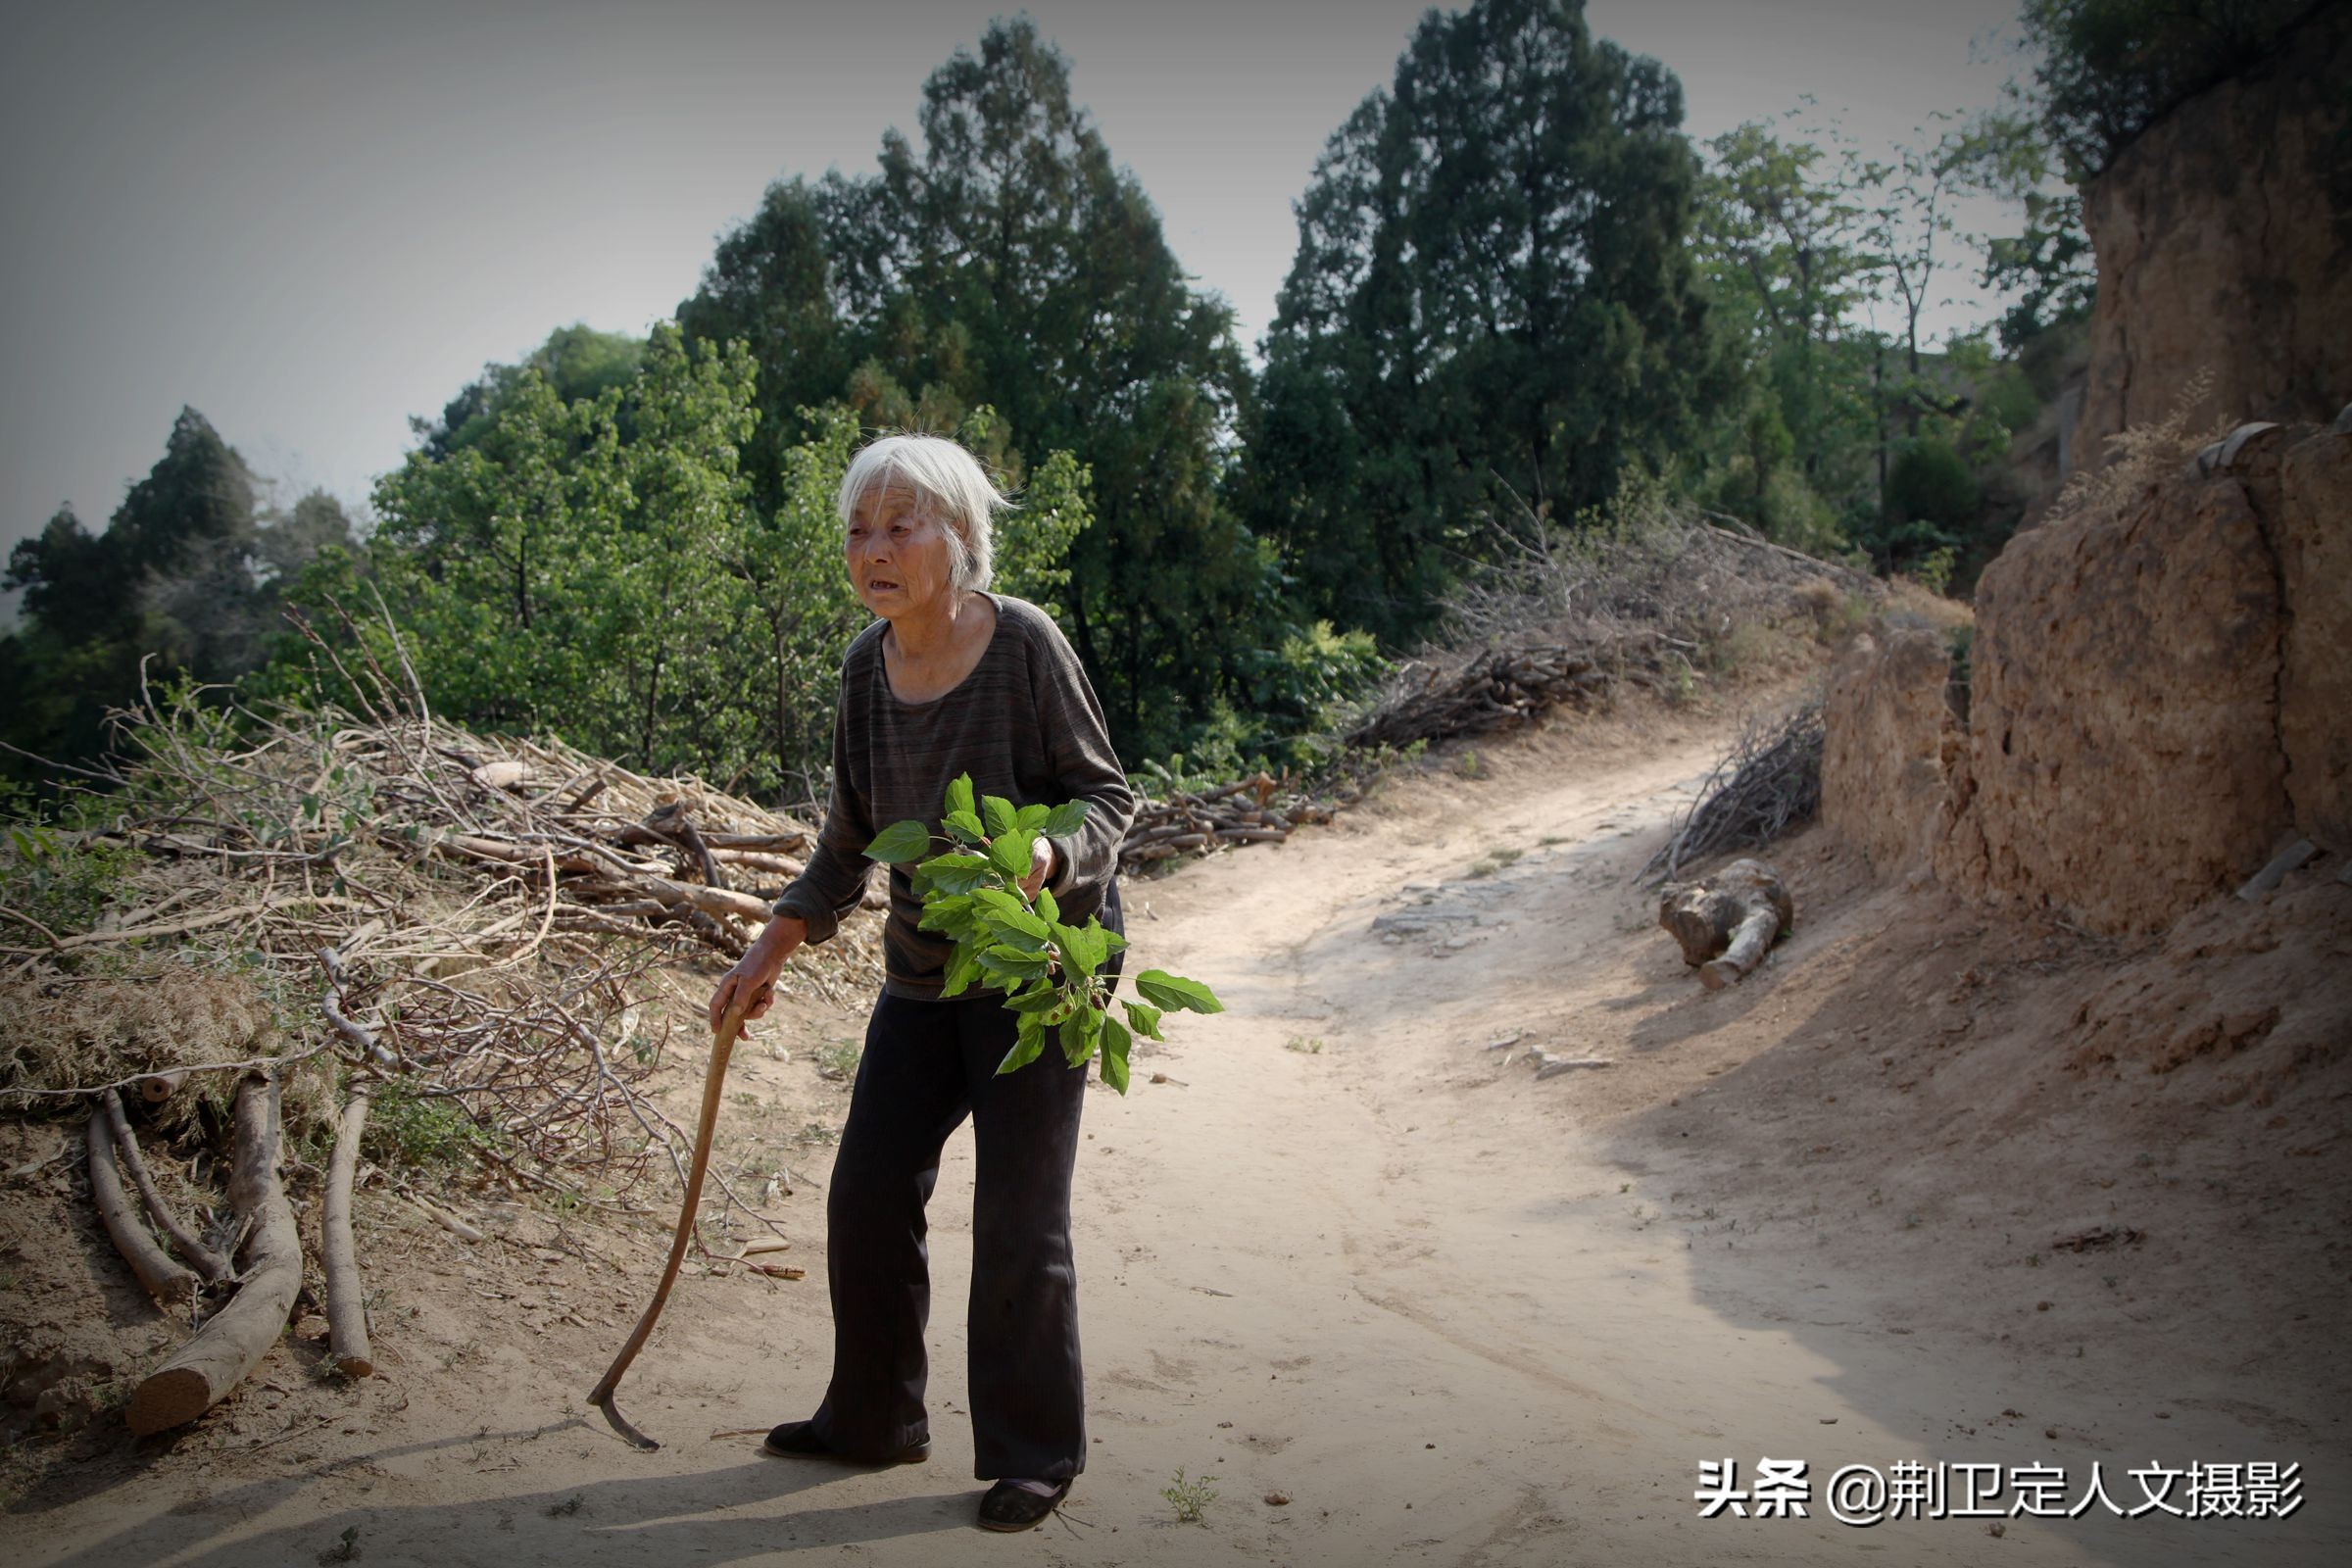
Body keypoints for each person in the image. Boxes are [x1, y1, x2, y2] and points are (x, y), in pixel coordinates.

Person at [708, 432, 1136, 1533]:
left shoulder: (1024, 644)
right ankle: (875, 1416)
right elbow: (849, 841)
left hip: (1040, 965)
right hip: (921, 967)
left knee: (1016, 1212)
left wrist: (1046, 858)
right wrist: (770, 947)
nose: (875, 549)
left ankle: (1036, 1452)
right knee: (867, 1189)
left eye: (901, 524)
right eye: (859, 529)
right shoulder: (863, 667)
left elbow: (1107, 798)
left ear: (957, 536)